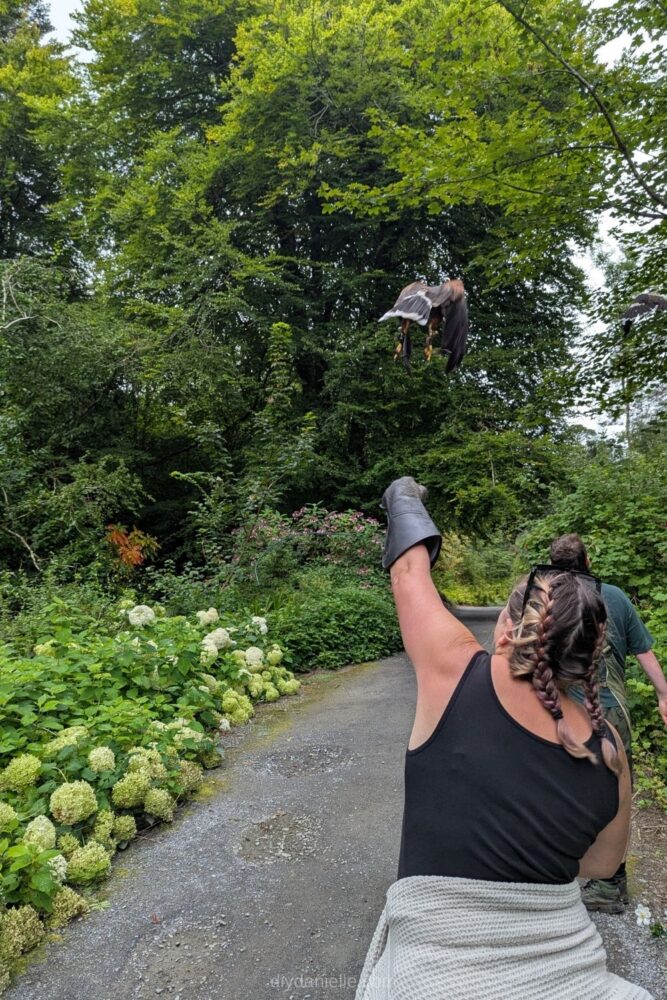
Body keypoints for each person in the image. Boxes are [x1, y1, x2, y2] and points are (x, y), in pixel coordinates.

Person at [355, 477, 653, 1000]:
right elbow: (602, 865)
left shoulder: (454, 674)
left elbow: (407, 572)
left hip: (431, 975)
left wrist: (403, 496)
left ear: (510, 629)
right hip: (571, 974)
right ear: (595, 650)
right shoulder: (610, 753)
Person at [549, 533, 667, 914]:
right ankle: (609, 884)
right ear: (587, 562)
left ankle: (553, 874)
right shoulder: (613, 596)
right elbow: (645, 653)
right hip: (611, 714)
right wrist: (663, 694)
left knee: (556, 790)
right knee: (611, 799)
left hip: (556, 712)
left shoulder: (543, 594)